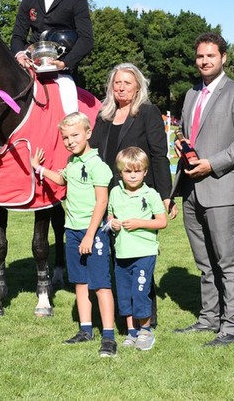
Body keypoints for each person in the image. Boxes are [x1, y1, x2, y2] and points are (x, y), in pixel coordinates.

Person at [171, 32, 234, 347]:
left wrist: (213, 163)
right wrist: (180, 141)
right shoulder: (191, 94)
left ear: (223, 57)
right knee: (205, 262)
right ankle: (210, 318)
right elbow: (186, 131)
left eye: (211, 55)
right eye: (200, 56)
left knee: (228, 260)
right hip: (192, 190)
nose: (205, 61)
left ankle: (232, 328)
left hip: (224, 189)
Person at [89, 63, 176, 331]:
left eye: (127, 83)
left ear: (138, 85)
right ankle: (123, 317)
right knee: (116, 258)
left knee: (140, 256)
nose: (121, 87)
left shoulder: (147, 113)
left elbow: (160, 155)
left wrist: (165, 195)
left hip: (139, 195)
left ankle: (146, 319)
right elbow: (92, 153)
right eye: (117, 82)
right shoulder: (103, 115)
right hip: (110, 196)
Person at [30, 112, 116, 358]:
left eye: (75, 135)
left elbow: (102, 202)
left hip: (94, 232)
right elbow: (61, 179)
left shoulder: (98, 166)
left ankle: (108, 336)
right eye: (65, 137)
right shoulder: (72, 162)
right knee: (79, 283)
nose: (70, 141)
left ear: (88, 133)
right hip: (72, 231)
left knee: (100, 284)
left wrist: (90, 235)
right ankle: (85, 330)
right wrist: (40, 169)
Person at [10, 0, 94, 114]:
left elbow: (86, 40)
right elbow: (18, 35)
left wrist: (65, 63)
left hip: (60, 71)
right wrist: (20, 55)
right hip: (30, 66)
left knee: (70, 112)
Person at [107, 147, 168, 351]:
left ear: (145, 172)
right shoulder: (115, 192)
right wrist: (112, 223)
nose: (132, 175)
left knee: (140, 292)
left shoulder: (151, 194)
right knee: (124, 293)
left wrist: (139, 223)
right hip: (122, 253)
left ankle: (146, 331)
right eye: (127, 171)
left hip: (144, 253)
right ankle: (131, 332)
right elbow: (109, 215)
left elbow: (161, 222)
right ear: (120, 173)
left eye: (137, 171)